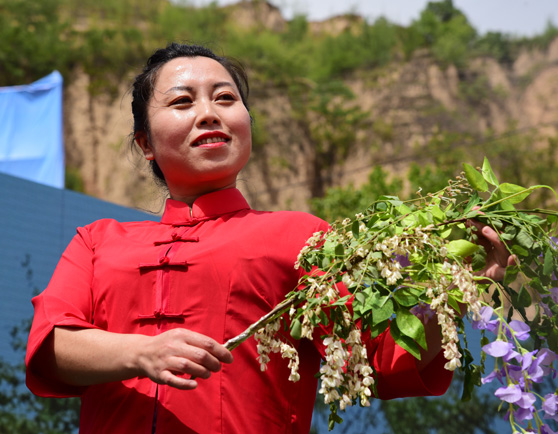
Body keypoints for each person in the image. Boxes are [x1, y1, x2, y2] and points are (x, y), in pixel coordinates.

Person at [25, 43, 515, 434]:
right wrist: (142, 353)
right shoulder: (97, 241)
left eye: (225, 98)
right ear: (145, 143)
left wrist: (449, 292)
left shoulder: (300, 235)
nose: (209, 113)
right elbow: (52, 349)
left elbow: (379, 361)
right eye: (182, 101)